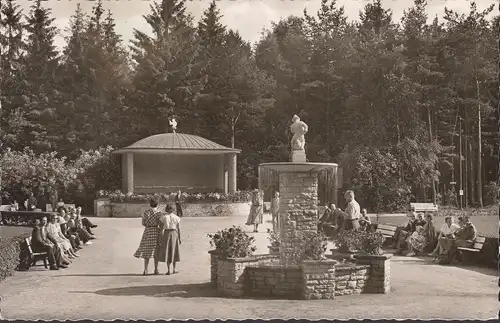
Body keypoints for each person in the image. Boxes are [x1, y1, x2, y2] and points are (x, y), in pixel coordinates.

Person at [134, 198, 162, 275]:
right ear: (157, 204)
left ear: (150, 204)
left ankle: (145, 270)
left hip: (148, 231)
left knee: (147, 251)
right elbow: (161, 223)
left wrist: (148, 225)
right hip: (156, 231)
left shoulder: (146, 212)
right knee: (156, 251)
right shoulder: (159, 213)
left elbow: (143, 223)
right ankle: (156, 269)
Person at [156, 204, 181, 275]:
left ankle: (168, 270)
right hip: (174, 233)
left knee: (167, 251)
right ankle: (174, 269)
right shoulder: (176, 217)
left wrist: (160, 238)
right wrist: (179, 238)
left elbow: (161, 229)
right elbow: (178, 229)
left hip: (166, 233)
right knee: (174, 251)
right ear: (173, 210)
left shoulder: (163, 217)